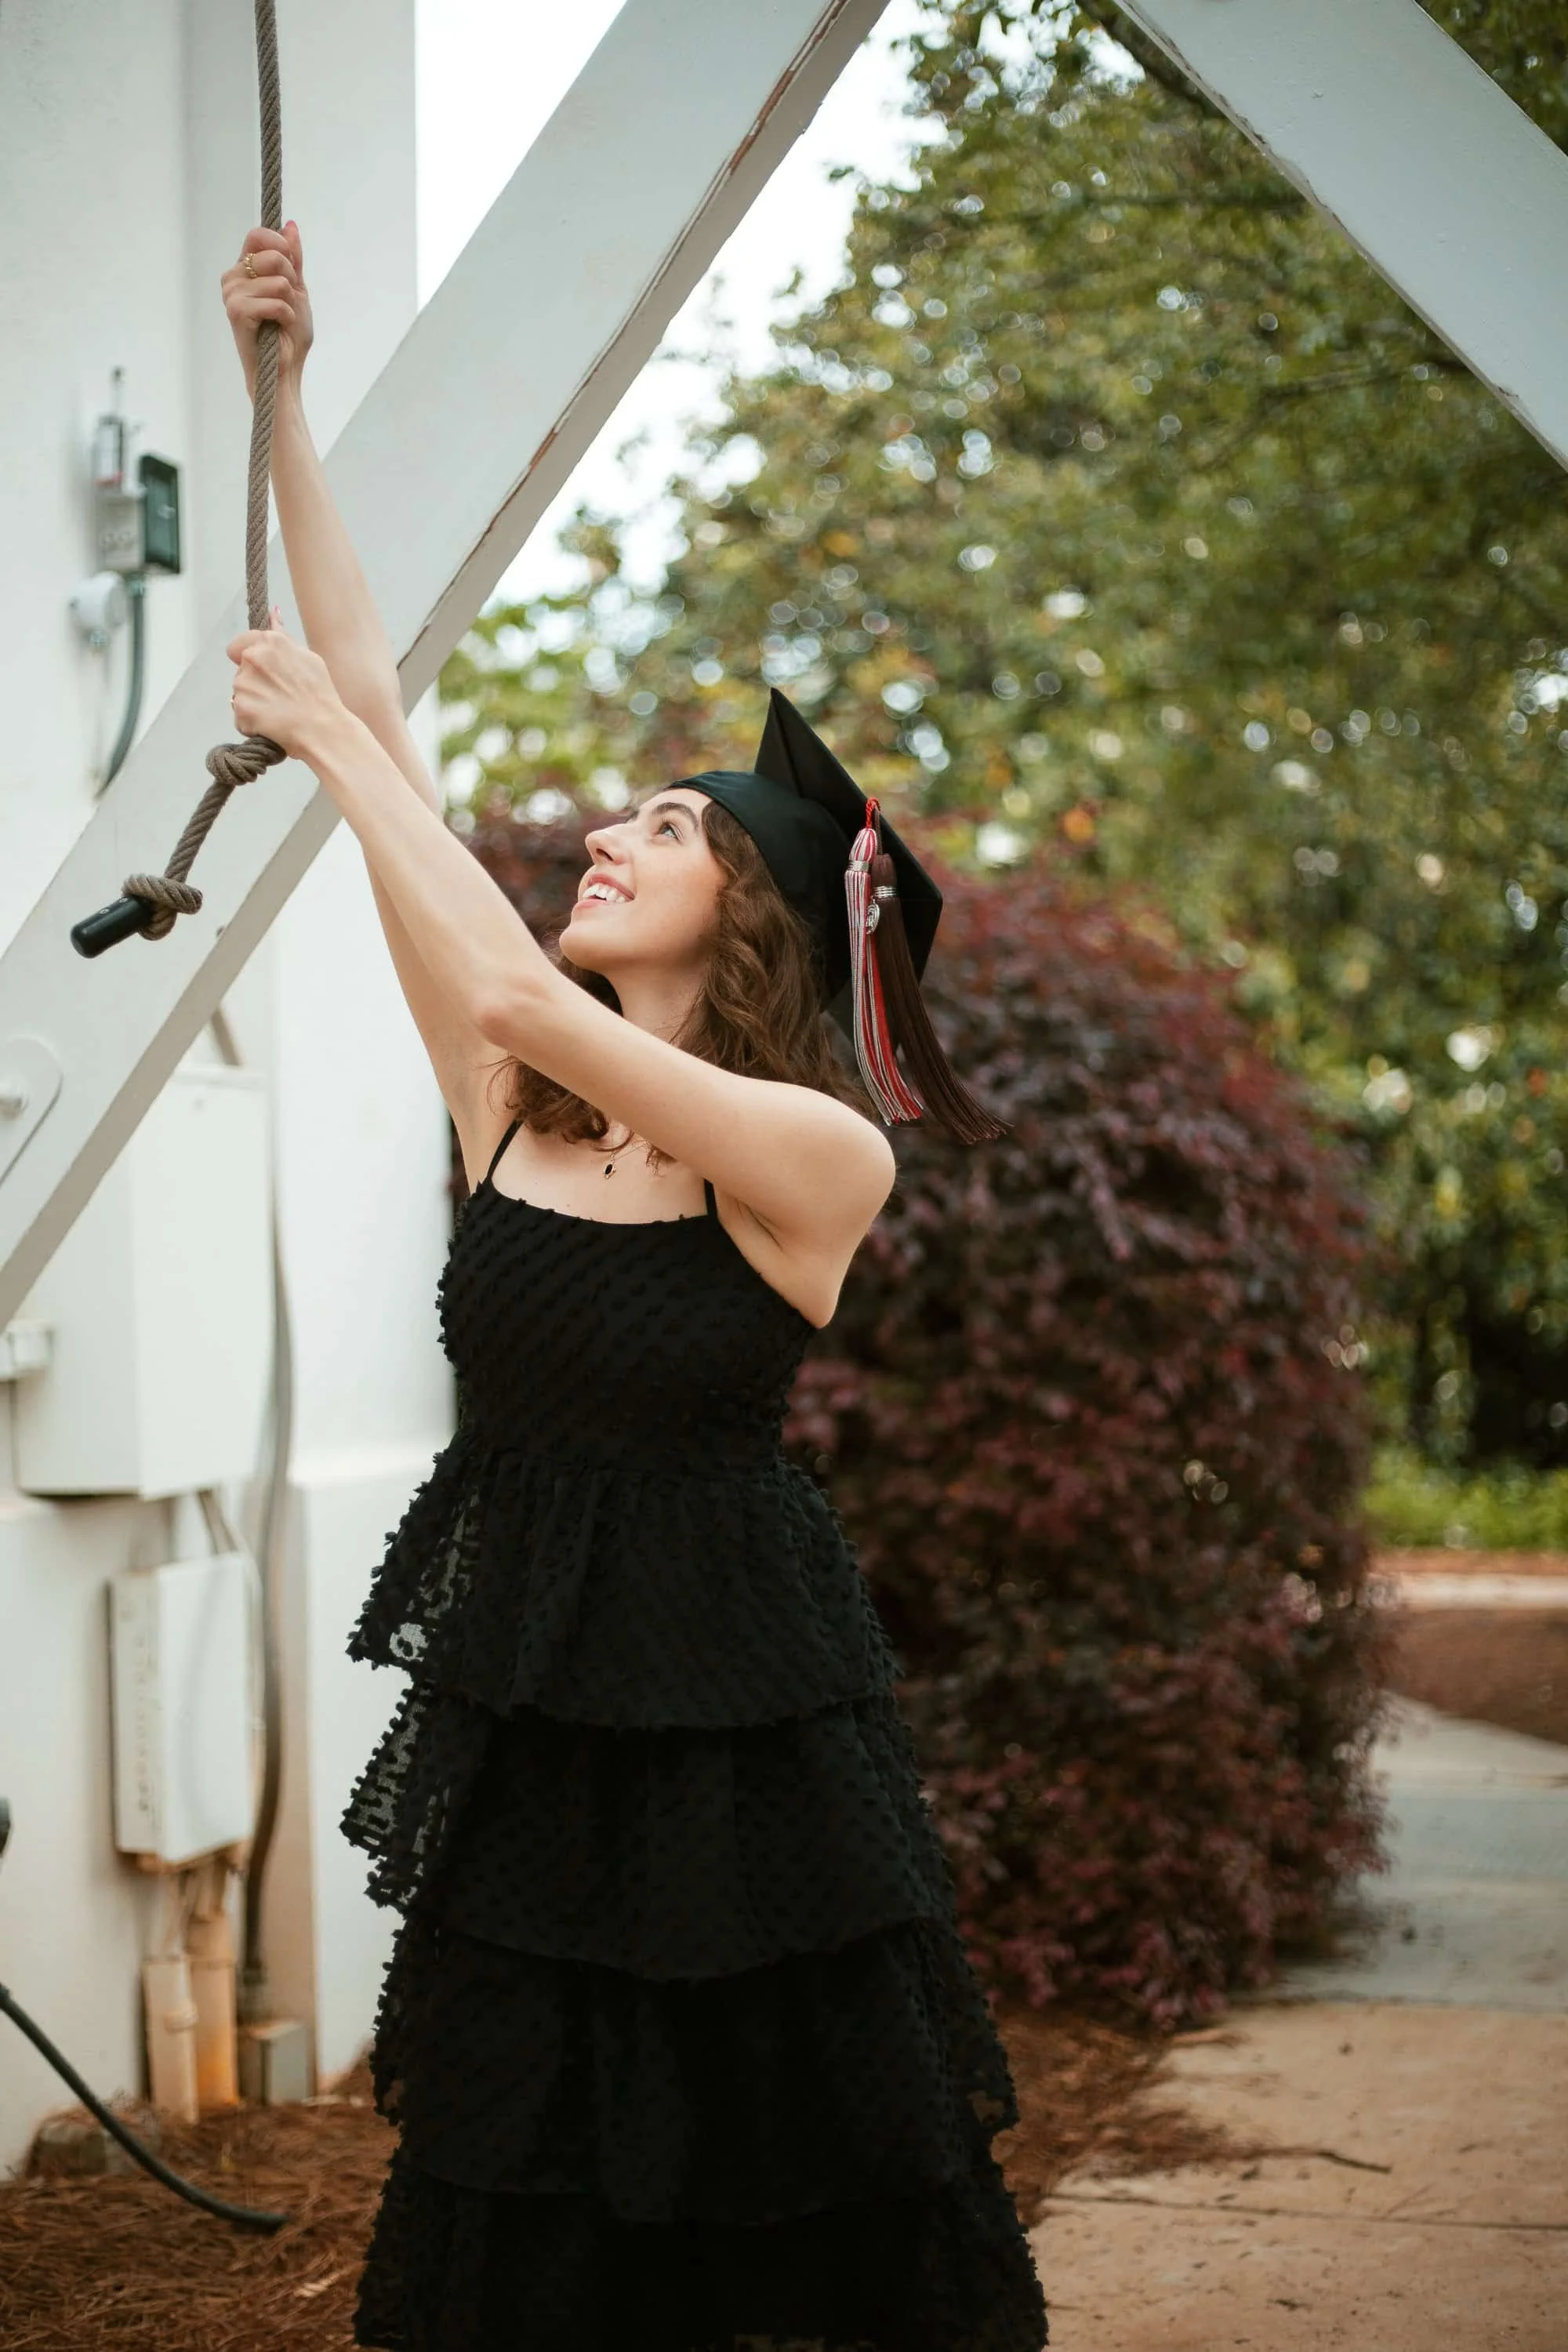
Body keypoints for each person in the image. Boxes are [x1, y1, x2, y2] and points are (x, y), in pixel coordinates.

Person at [223, 223, 1048, 2352]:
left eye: (665, 826)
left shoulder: (813, 1158)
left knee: (797, 2207)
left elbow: (446, 883)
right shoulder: (516, 1112)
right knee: (526, 2193)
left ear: (745, 912)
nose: (606, 832)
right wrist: (282, 396)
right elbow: (379, 705)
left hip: (747, 1747)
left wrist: (340, 765)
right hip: (538, 1718)